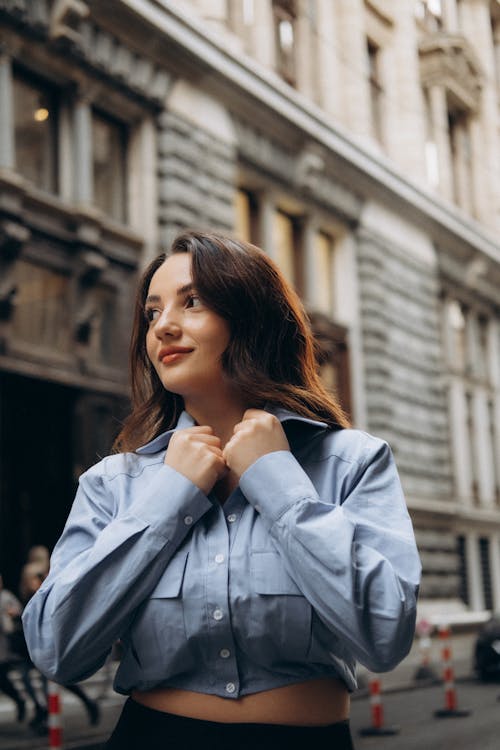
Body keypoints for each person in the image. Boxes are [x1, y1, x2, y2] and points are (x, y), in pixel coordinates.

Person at [23, 231, 421, 750]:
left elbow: (385, 636)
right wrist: (169, 499)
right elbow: (56, 648)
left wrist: (278, 485)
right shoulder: (113, 483)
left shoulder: (351, 462)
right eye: (151, 313)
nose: (163, 326)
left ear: (250, 316)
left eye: (192, 303)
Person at [0, 574, 26, 722]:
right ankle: (20, 701)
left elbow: (19, 611)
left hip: (9, 645)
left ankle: (21, 702)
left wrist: (13, 613)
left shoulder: (6, 596)